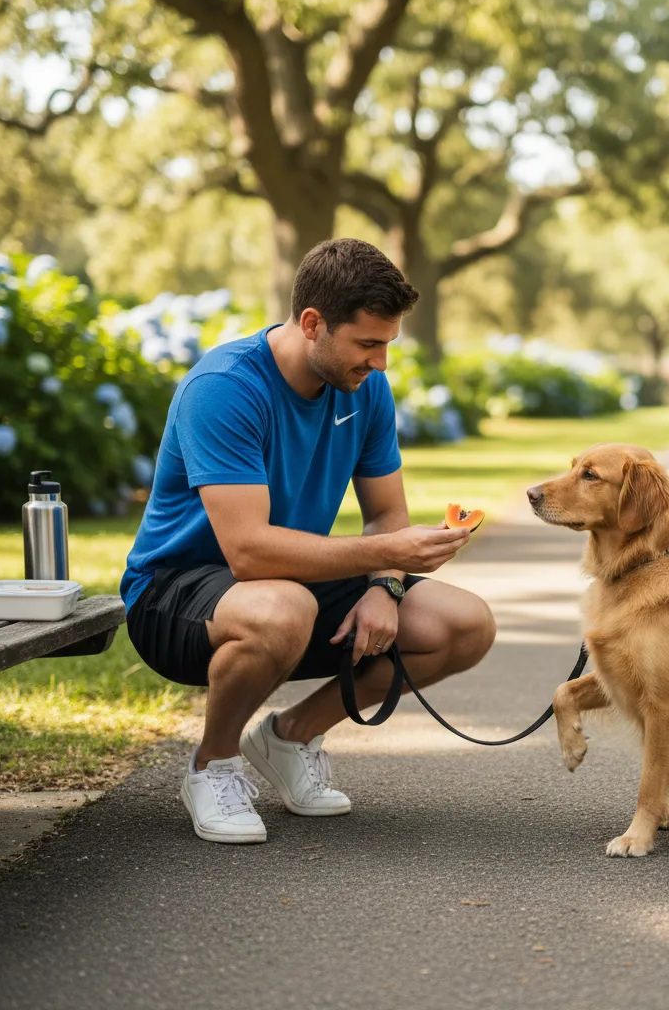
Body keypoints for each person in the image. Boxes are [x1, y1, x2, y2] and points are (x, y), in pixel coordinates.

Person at [121, 238, 496, 844]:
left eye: (386, 345)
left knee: (463, 624)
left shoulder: (364, 388)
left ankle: (287, 737)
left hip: (289, 583)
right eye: (367, 344)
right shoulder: (225, 387)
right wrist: (384, 557)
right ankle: (211, 765)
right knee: (282, 608)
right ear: (313, 323)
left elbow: (387, 514)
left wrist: (384, 588)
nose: (380, 363)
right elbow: (249, 553)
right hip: (175, 593)